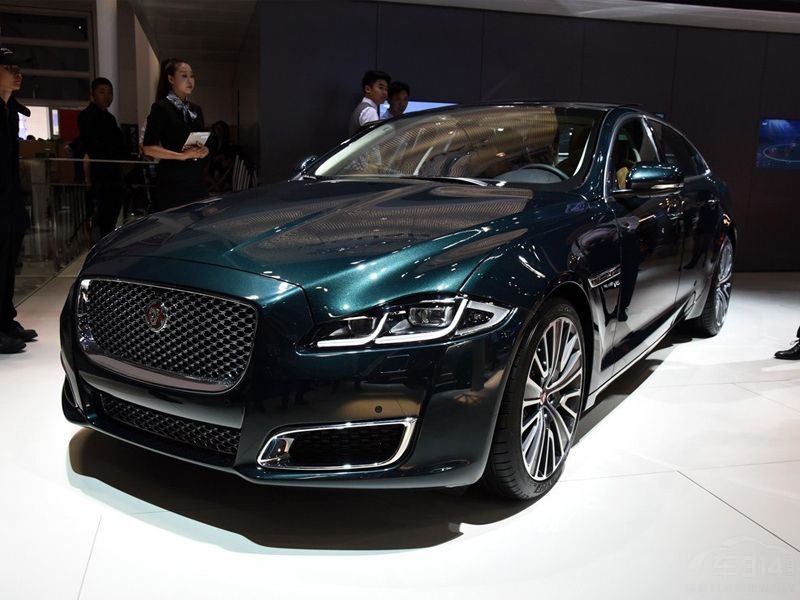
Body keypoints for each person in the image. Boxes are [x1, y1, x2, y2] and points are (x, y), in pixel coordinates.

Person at [0, 47, 37, 353]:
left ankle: (5, 320)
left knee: (9, 261)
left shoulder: (12, 111)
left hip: (10, 197)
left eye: (18, 68)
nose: (18, 74)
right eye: (10, 68)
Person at [142, 58, 209, 211]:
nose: (190, 80)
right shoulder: (161, 108)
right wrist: (181, 156)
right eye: (184, 75)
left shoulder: (196, 109)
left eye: (192, 76)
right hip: (173, 180)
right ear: (171, 79)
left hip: (196, 178)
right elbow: (148, 148)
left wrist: (204, 150)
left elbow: (200, 140)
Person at [77, 77, 127, 240]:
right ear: (93, 94)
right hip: (100, 176)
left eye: (110, 92)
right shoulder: (87, 116)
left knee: (109, 219)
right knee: (101, 220)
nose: (107, 96)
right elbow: (95, 145)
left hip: (112, 175)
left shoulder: (110, 118)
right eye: (102, 92)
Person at [348, 70, 390, 136]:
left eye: (386, 89)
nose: (385, 92)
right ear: (368, 89)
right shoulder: (370, 111)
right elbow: (375, 139)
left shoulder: (362, 107)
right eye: (381, 88)